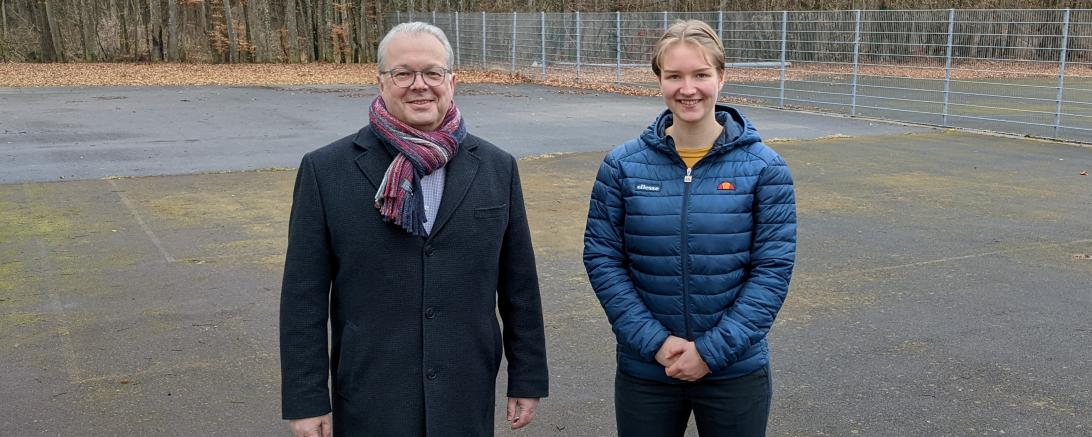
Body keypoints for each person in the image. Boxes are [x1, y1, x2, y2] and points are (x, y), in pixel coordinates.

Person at [279, 22, 548, 437]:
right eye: (403, 73)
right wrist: (306, 399)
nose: (419, 85)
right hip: (372, 394)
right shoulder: (325, 170)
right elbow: (303, 297)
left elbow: (519, 286)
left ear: (452, 81)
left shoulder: (497, 168)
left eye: (432, 73)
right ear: (380, 81)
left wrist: (527, 378)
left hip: (465, 393)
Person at [583, 20, 796, 437]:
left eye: (700, 74)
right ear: (659, 80)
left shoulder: (765, 168)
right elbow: (603, 259)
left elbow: (772, 270)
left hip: (735, 369)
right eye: (674, 76)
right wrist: (655, 343)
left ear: (721, 77)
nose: (688, 88)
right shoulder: (622, 165)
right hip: (647, 369)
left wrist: (711, 352)